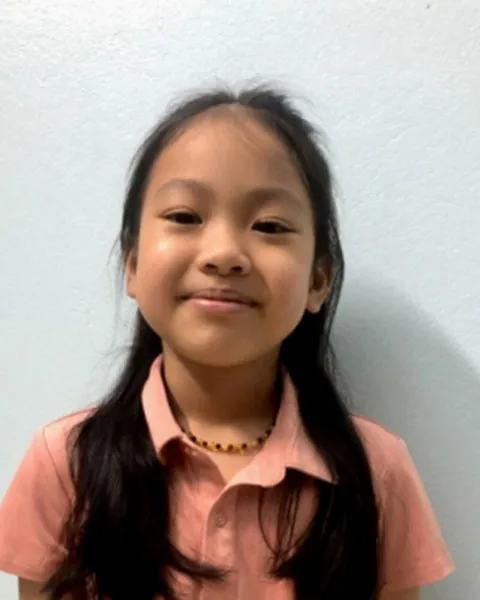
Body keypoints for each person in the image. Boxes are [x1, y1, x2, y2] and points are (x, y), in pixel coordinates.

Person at [0, 85, 454, 600]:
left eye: (270, 225)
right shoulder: (65, 463)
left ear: (318, 279)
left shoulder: (376, 471)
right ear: (133, 263)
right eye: (184, 217)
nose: (223, 254)